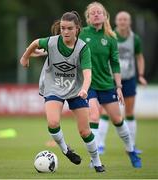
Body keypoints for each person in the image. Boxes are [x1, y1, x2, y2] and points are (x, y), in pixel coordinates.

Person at [20, 11, 105, 173]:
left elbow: (88, 74)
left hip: (76, 90)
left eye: (69, 28)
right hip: (54, 87)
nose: (65, 32)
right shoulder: (51, 42)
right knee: (52, 123)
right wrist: (25, 57)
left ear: (77, 29)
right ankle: (66, 150)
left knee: (85, 131)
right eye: (63, 28)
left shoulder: (82, 48)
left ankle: (97, 162)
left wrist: (85, 90)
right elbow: (36, 42)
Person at [79, 2, 142, 168]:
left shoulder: (111, 37)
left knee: (117, 119)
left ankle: (130, 150)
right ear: (88, 17)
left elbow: (115, 64)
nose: (96, 15)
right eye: (93, 13)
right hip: (89, 85)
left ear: (105, 16)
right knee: (94, 116)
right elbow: (68, 49)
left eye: (99, 12)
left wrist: (119, 86)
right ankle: (95, 159)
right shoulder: (82, 34)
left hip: (107, 85)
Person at [97, 11, 147, 155]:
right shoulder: (109, 36)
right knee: (106, 112)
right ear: (116, 21)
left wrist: (141, 75)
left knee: (129, 112)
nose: (122, 22)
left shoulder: (135, 39)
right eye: (120, 19)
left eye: (125, 19)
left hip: (130, 78)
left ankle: (131, 146)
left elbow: (139, 57)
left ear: (129, 22)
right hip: (111, 79)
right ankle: (100, 145)